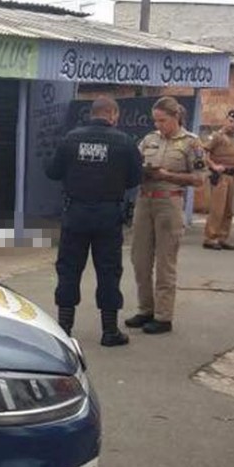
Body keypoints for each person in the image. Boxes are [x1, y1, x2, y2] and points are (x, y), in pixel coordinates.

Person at [47, 96, 142, 346]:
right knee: (109, 271)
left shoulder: (71, 138)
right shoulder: (124, 141)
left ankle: (64, 329)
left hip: (75, 213)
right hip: (108, 215)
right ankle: (109, 331)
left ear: (92, 114)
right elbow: (134, 178)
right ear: (112, 114)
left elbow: (53, 171)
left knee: (69, 269)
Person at [126, 96, 207, 335]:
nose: (158, 124)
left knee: (165, 261)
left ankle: (163, 315)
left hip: (169, 202)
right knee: (139, 259)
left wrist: (167, 175)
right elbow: (134, 164)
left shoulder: (191, 143)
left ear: (176, 118)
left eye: (162, 120)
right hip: (144, 201)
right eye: (156, 120)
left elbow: (199, 179)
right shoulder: (149, 140)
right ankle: (145, 309)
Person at [202, 110, 234, 250]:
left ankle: (222, 237)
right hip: (219, 176)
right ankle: (210, 238)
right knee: (217, 209)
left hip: (231, 176)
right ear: (225, 120)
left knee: (228, 210)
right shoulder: (216, 136)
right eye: (230, 121)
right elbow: (205, 154)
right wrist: (214, 166)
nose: (232, 125)